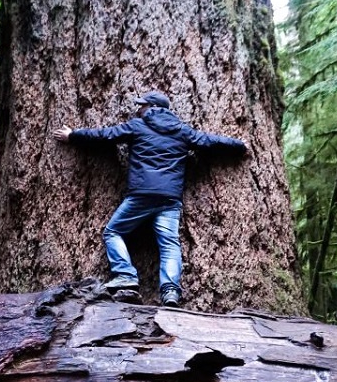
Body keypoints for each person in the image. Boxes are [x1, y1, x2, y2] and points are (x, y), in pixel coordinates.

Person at [53, 90, 247, 307]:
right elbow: (210, 141)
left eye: (142, 105)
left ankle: (125, 275)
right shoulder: (182, 131)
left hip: (141, 195)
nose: (138, 109)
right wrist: (239, 145)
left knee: (113, 232)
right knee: (169, 244)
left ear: (153, 108)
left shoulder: (137, 126)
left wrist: (73, 135)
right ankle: (171, 291)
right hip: (170, 199)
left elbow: (105, 136)